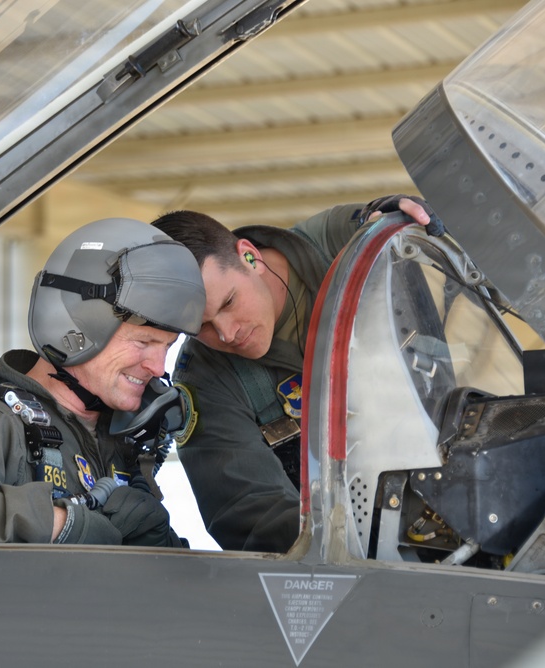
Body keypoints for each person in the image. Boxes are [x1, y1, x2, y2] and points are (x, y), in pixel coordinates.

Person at [0, 217, 206, 550]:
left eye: (168, 346)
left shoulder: (116, 447)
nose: (158, 367)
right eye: (144, 342)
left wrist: (162, 552)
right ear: (77, 327)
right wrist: (62, 523)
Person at [151, 195, 442, 552]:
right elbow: (248, 513)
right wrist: (356, 539)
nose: (226, 333)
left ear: (249, 256)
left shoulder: (348, 242)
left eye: (228, 303)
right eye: (202, 326)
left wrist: (411, 218)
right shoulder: (204, 379)